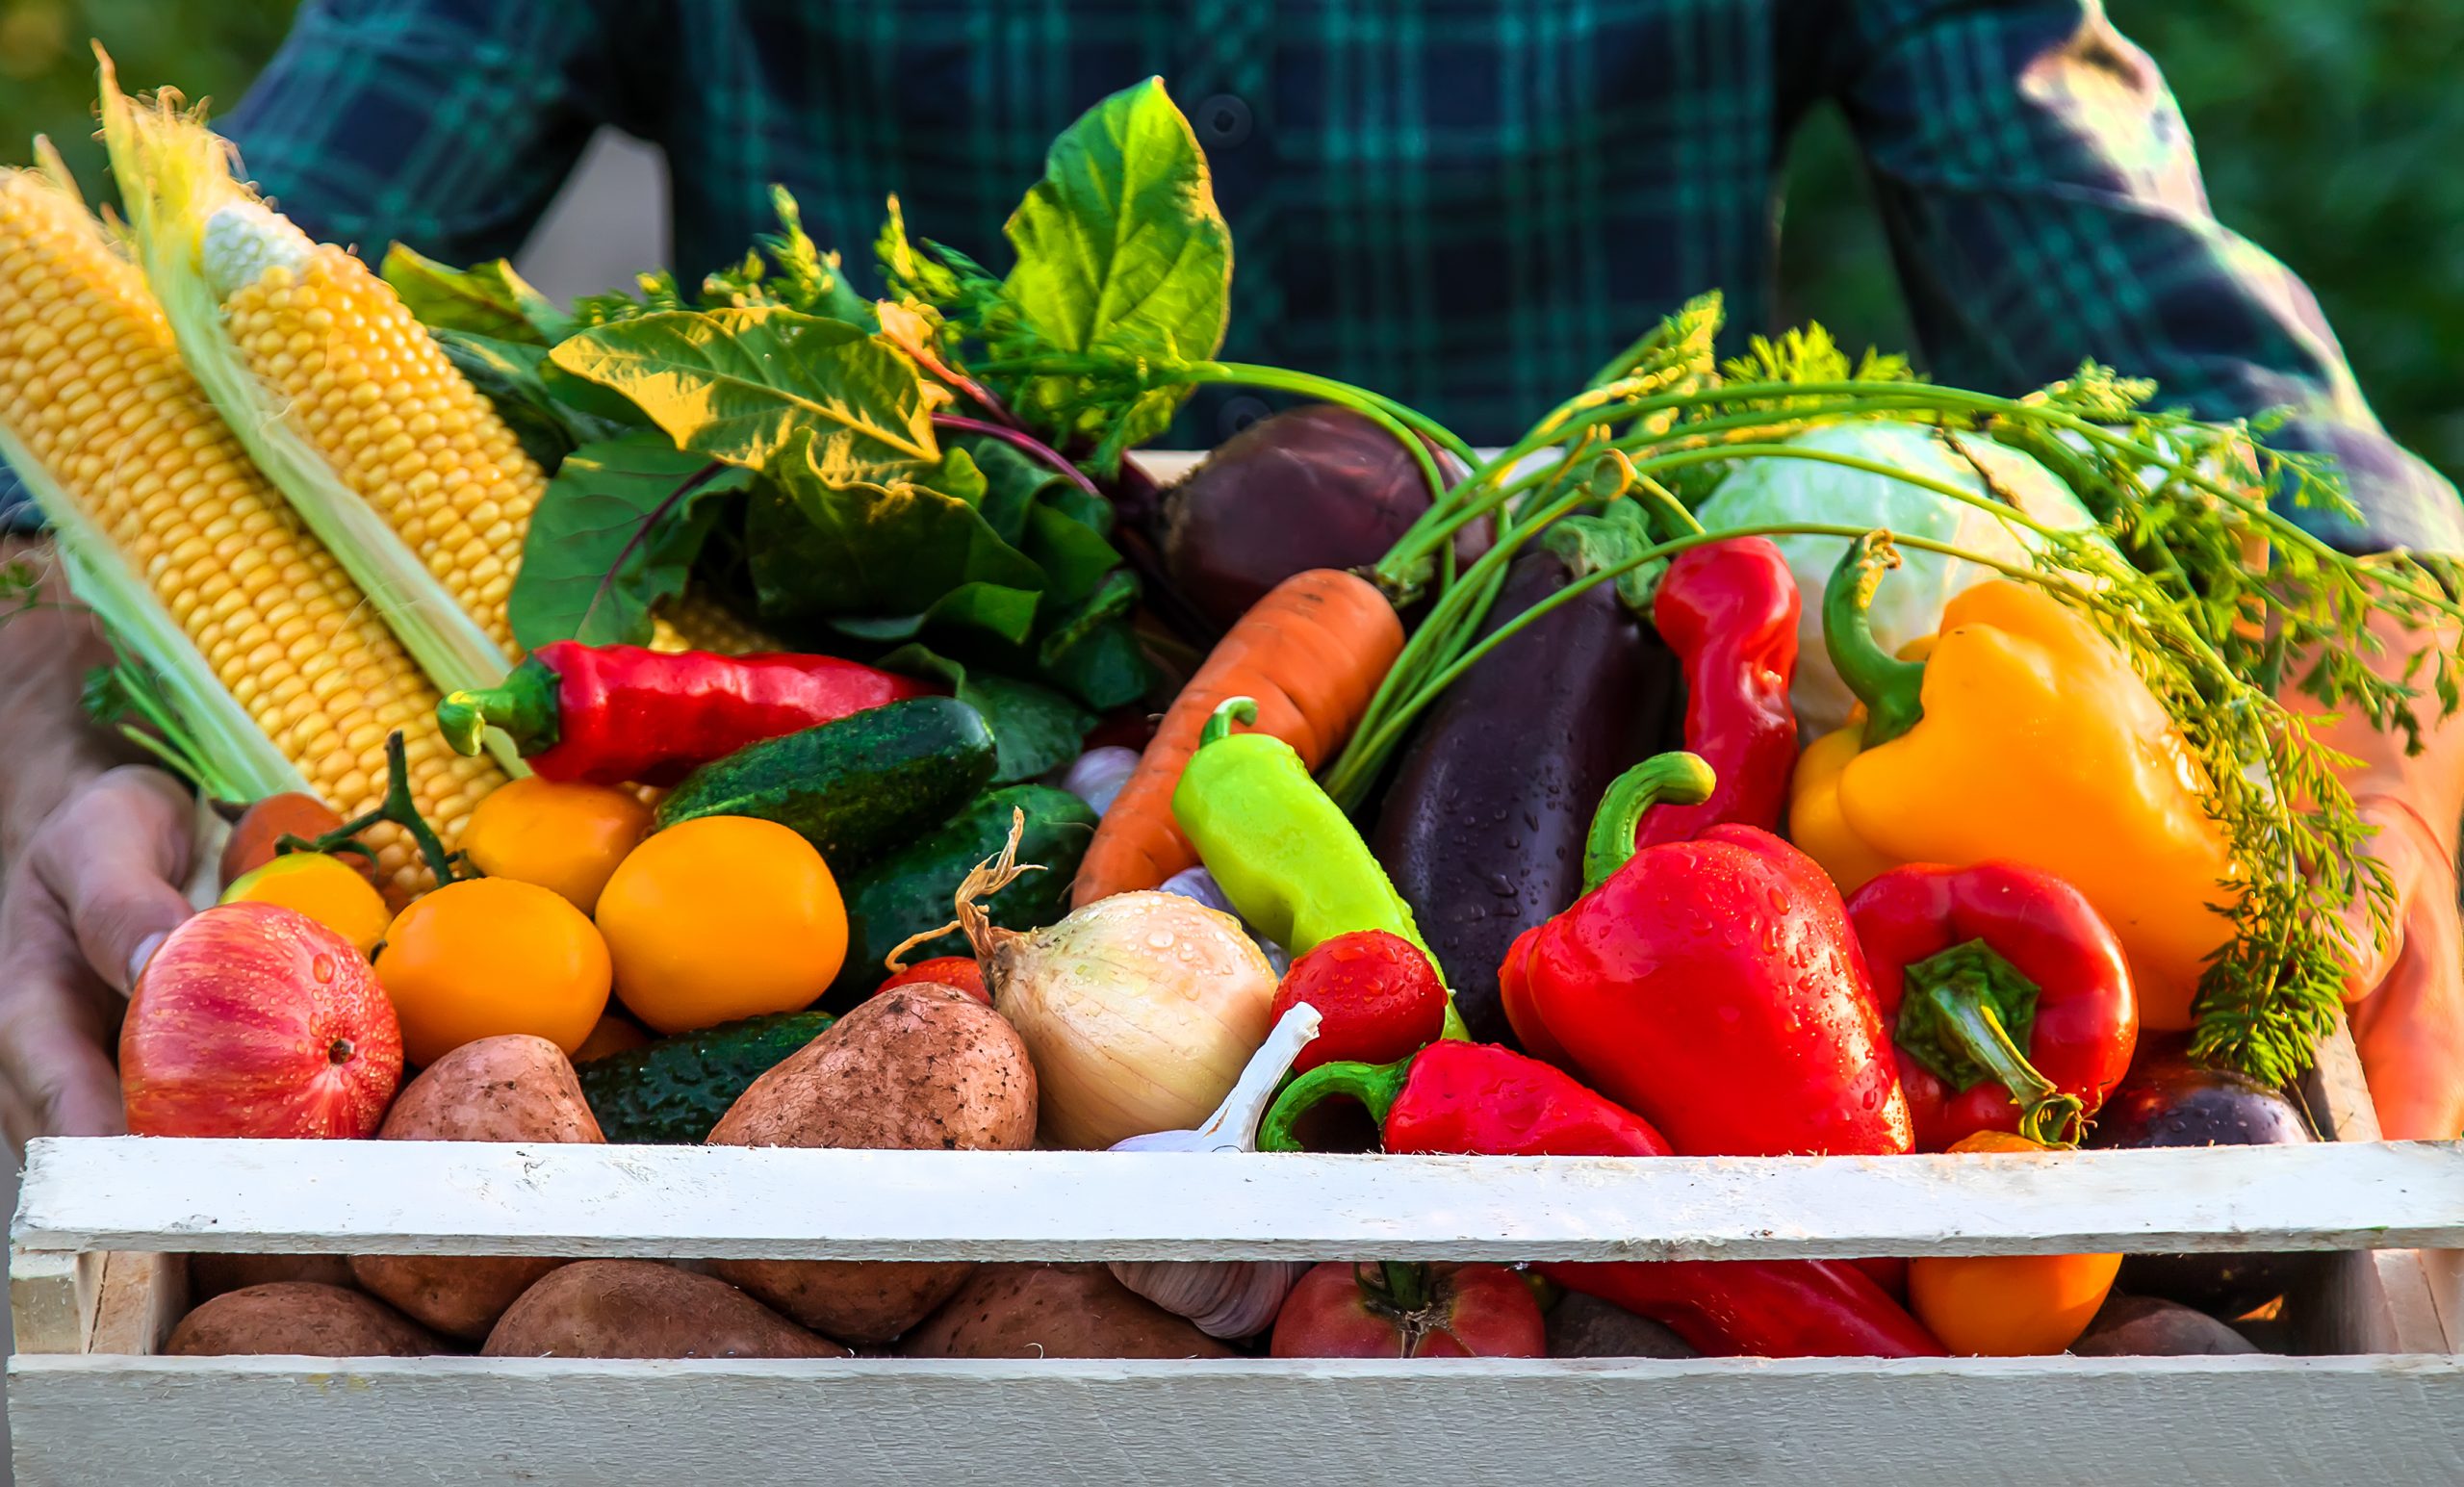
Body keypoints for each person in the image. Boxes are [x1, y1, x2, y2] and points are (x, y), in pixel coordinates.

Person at [2, 0, 2457, 1141]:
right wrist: (45, 670)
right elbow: (263, 256)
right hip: (923, 789)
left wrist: (2370, 718)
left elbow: (2220, 389)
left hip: (1659, 855)